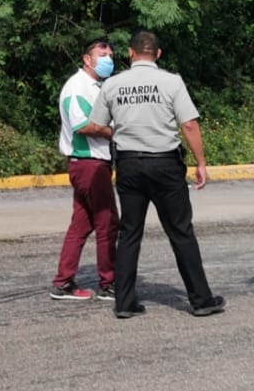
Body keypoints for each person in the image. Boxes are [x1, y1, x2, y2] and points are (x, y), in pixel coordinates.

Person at [88, 30, 225, 319]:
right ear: (158, 54)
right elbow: (188, 124)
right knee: (180, 231)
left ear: (130, 53)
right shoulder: (171, 82)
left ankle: (124, 303)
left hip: (129, 166)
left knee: (129, 233)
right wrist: (201, 162)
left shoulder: (112, 84)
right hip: (165, 165)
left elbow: (98, 124)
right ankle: (201, 300)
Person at [49, 36, 118, 301]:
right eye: (103, 55)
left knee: (81, 224)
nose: (108, 60)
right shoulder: (78, 87)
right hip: (89, 163)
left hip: (89, 164)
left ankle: (63, 282)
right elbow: (82, 126)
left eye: (110, 55)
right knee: (107, 222)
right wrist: (113, 132)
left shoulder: (97, 86)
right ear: (87, 59)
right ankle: (109, 283)